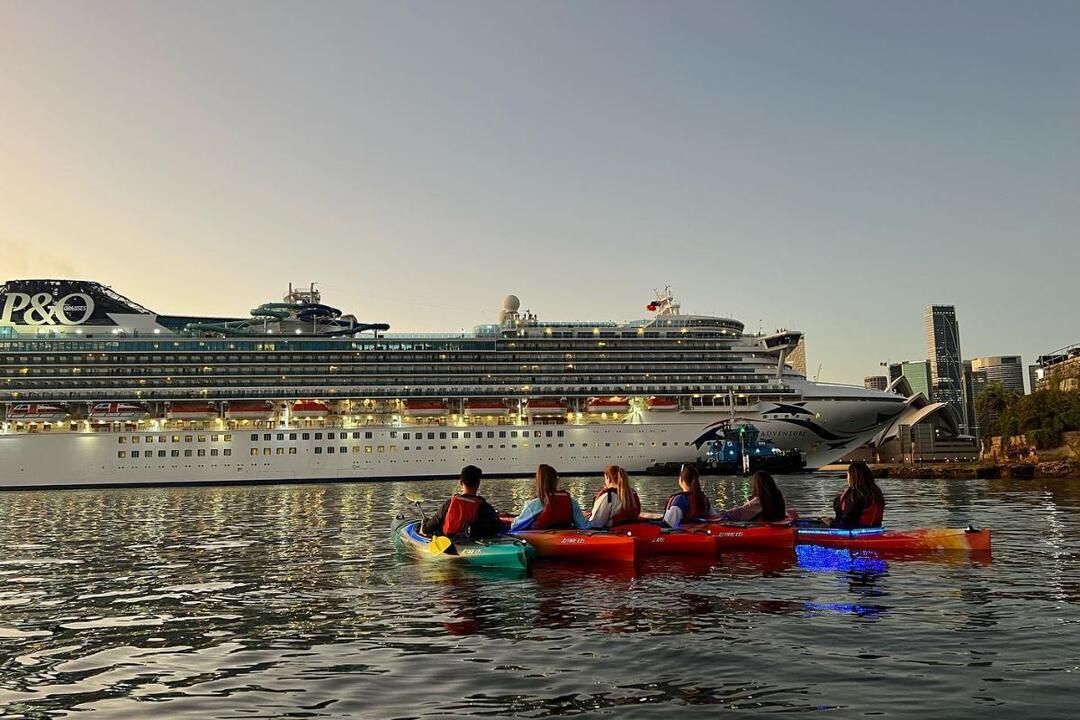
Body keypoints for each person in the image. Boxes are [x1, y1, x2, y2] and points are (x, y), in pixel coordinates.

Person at [420, 465, 501, 539]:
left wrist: (424, 524)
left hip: (449, 541)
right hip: (473, 542)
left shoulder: (449, 503)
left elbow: (428, 529)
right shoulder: (484, 506)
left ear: (461, 483)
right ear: (478, 484)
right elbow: (496, 526)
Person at [510, 464, 588, 531]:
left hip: (540, 542)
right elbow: (583, 526)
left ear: (538, 482)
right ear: (556, 481)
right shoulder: (571, 502)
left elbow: (515, 527)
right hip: (566, 538)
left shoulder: (534, 504)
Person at [827, 461, 885, 529]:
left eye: (848, 475)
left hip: (856, 532)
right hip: (875, 529)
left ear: (852, 477)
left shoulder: (854, 496)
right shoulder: (876, 492)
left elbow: (846, 526)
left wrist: (830, 523)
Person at [717, 471, 788, 522]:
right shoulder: (778, 496)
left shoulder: (761, 500)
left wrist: (721, 514)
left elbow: (740, 512)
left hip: (764, 527)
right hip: (776, 523)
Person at [662, 464, 712, 528]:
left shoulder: (679, 500)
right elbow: (715, 517)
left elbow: (668, 524)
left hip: (682, 534)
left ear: (681, 480)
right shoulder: (703, 498)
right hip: (700, 531)